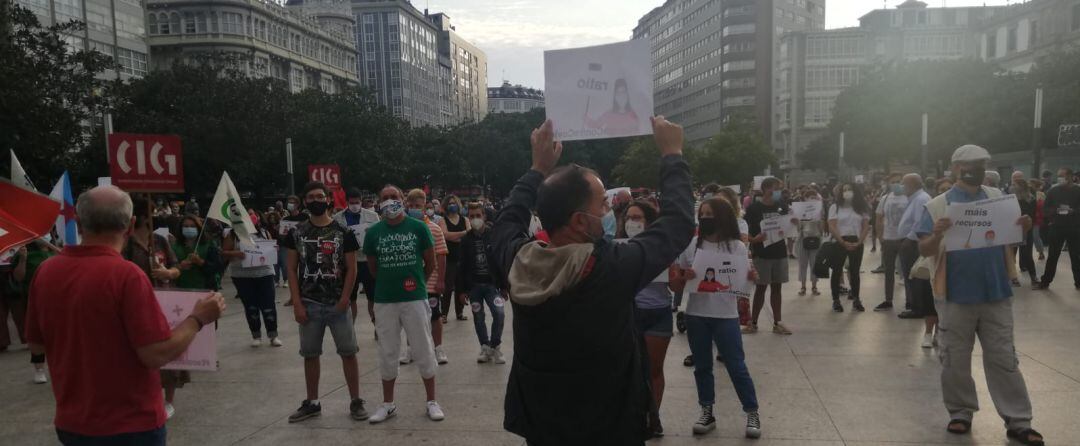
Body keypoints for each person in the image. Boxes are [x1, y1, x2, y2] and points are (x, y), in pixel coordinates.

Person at [488, 118, 693, 445]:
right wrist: (672, 154)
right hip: (610, 427)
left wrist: (537, 169)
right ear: (581, 221)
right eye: (603, 204)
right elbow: (678, 224)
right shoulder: (611, 268)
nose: (611, 209)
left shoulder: (517, 261)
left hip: (542, 424)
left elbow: (506, 222)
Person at [26, 185, 225, 445]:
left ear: (78, 222)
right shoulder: (126, 276)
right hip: (129, 424)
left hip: (72, 422)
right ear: (130, 226)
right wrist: (197, 318)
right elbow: (155, 354)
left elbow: (36, 343)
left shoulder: (46, 272)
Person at [917, 145, 1043, 446]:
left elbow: (1010, 238)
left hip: (995, 291)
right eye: (973, 164)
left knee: (1004, 357)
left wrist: (1022, 226)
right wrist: (936, 233)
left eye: (983, 164)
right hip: (954, 294)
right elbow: (923, 249)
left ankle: (1018, 420)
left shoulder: (998, 200)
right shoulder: (938, 205)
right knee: (954, 358)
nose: (979, 169)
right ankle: (960, 412)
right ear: (956, 167)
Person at [676, 197, 761, 438]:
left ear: (722, 216)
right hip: (696, 314)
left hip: (725, 315)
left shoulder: (736, 247)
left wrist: (751, 278)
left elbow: (743, 282)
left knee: (736, 365)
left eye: (710, 214)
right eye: (702, 214)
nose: (705, 218)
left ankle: (752, 411)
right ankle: (707, 411)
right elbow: (680, 277)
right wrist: (686, 275)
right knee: (702, 367)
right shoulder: (693, 244)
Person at [282, 182, 366, 423]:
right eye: (311, 197)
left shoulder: (343, 231)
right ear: (304, 202)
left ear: (328, 199)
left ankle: (356, 400)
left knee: (349, 353)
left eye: (320, 196)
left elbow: (352, 269)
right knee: (310, 354)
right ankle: (313, 402)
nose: (316, 200)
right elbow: (290, 267)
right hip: (309, 303)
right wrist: (296, 302)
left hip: (338, 304)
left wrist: (345, 300)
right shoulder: (296, 233)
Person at [363, 184, 444, 424]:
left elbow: (430, 262)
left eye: (394, 197)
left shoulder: (419, 228)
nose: (390, 201)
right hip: (385, 300)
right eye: (385, 198)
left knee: (423, 348)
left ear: (403, 200)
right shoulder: (374, 232)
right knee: (387, 352)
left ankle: (432, 401)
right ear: (379, 202)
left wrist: (416, 281)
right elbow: (373, 268)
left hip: (415, 298)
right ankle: (388, 404)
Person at [616, 199, 677, 437]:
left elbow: (675, 284)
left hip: (658, 312)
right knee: (627, 370)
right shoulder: (618, 246)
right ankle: (629, 415)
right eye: (629, 217)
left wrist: (679, 276)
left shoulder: (664, 247)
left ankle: (654, 416)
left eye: (638, 217)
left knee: (653, 370)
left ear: (650, 221)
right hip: (629, 312)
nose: (632, 222)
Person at [123, 196, 187, 419]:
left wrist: (168, 273)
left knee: (168, 349)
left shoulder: (160, 241)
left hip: (166, 301)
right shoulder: (125, 245)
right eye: (154, 214)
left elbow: (177, 266)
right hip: (138, 303)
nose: (158, 217)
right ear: (142, 218)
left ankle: (168, 400)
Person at [404, 189, 450, 365]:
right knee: (409, 316)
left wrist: (440, 280)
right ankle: (410, 350)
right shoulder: (403, 227)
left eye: (418, 205)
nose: (415, 208)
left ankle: (438, 349)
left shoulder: (435, 228)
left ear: (425, 207)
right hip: (409, 282)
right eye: (412, 205)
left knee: (435, 315)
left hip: (430, 282)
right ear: (407, 206)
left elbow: (441, 255)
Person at [221, 214, 280, 347]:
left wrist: (274, 249)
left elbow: (272, 248)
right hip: (242, 276)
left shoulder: (264, 233)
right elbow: (223, 252)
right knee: (251, 306)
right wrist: (236, 254)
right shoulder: (232, 234)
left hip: (265, 274)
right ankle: (256, 335)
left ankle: (273, 335)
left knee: (268, 306)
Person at [743, 177, 792, 334]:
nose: (777, 192)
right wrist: (753, 239)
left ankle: (778, 322)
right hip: (762, 254)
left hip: (779, 252)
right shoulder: (754, 208)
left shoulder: (782, 206)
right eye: (775, 188)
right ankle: (754, 322)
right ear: (765, 189)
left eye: (779, 189)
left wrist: (794, 223)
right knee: (761, 288)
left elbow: (789, 225)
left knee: (777, 288)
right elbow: (744, 230)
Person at [458, 202, 505, 365]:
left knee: (499, 314)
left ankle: (496, 345)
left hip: (492, 285)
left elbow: (501, 261)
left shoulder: (494, 235)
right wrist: (461, 290)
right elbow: (461, 266)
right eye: (472, 216)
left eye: (478, 215)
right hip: (474, 287)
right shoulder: (465, 240)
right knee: (478, 317)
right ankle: (484, 347)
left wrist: (505, 286)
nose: (475, 219)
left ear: (484, 216)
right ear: (468, 218)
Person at [895, 174, 938, 347]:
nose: (901, 186)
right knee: (908, 275)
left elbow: (919, 223)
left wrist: (909, 239)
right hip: (907, 241)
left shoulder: (921, 198)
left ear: (912, 184)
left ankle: (917, 307)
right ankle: (913, 303)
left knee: (914, 276)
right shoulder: (914, 198)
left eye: (903, 183)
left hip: (912, 243)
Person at [10, 238, 58, 383]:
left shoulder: (54, 251)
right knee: (37, 335)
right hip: (35, 298)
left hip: (57, 298)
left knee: (59, 336)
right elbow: (18, 277)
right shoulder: (23, 253)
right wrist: (23, 259)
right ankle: (39, 369)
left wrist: (51, 246)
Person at [333, 187, 381, 322]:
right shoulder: (337, 218)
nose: (355, 205)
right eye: (352, 202)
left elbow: (378, 236)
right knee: (350, 298)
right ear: (347, 202)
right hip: (348, 262)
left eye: (357, 202)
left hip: (367, 260)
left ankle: (377, 325)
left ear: (361, 201)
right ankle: (351, 329)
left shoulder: (372, 216)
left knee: (372, 297)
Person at [1034, 167, 1080, 291]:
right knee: (1053, 256)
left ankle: (1078, 282)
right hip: (1057, 227)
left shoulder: (1078, 190)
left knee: (1076, 256)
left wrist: (1073, 211)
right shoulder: (1053, 191)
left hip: (1074, 227)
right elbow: (1045, 209)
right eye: (1058, 175)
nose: (1060, 178)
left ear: (1071, 176)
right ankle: (1045, 281)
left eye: (1063, 175)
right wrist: (1055, 211)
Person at [827, 182, 871, 313]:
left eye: (849, 189)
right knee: (837, 271)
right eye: (844, 189)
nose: (847, 192)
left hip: (856, 241)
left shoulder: (861, 208)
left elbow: (865, 226)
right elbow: (832, 226)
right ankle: (836, 300)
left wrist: (859, 242)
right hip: (840, 241)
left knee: (855, 271)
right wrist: (842, 241)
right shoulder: (835, 207)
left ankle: (856, 299)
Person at [874, 174, 909, 311]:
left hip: (905, 239)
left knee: (907, 271)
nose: (896, 184)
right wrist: (880, 237)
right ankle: (888, 300)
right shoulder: (885, 198)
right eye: (893, 182)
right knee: (889, 271)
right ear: (889, 184)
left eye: (899, 181)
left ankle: (910, 300)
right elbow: (878, 218)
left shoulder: (909, 197)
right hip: (889, 239)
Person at [171, 215, 222, 292]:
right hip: (181, 288)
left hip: (205, 288)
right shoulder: (174, 247)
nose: (189, 228)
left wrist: (200, 261)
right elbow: (169, 267)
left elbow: (217, 267)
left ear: (198, 228)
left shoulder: (209, 245)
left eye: (192, 226)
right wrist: (180, 266)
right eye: (185, 226)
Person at [439, 195, 470, 322]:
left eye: (454, 203)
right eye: (450, 203)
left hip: (463, 258)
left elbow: (470, 234)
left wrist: (453, 237)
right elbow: (445, 235)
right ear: (446, 206)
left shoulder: (465, 219)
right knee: (447, 287)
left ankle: (460, 312)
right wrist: (462, 234)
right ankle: (444, 313)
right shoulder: (442, 220)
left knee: (461, 287)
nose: (452, 205)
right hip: (448, 258)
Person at [796, 189, 824, 296]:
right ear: (805, 199)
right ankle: (803, 286)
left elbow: (821, 230)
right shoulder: (800, 211)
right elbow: (798, 229)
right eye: (809, 197)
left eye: (813, 197)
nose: (811, 199)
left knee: (814, 264)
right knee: (802, 264)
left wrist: (820, 218)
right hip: (803, 240)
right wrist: (798, 220)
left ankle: (814, 286)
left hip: (816, 239)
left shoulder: (818, 210)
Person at [278, 195, 308, 292]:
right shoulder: (285, 219)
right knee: (291, 270)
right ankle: (293, 294)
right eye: (289, 202)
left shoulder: (304, 217)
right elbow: (282, 237)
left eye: (293, 202)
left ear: (298, 204)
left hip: (303, 245)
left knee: (304, 270)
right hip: (290, 247)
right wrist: (281, 230)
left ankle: (304, 290)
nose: (290, 204)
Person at [1012, 179, 1039, 286]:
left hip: (1026, 230)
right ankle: (1013, 278)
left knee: (1027, 254)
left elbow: (1031, 215)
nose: (1012, 186)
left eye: (1014, 185)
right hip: (1013, 230)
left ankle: (1033, 277)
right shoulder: (1011, 198)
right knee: (1011, 255)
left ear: (1021, 186)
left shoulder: (1031, 198)